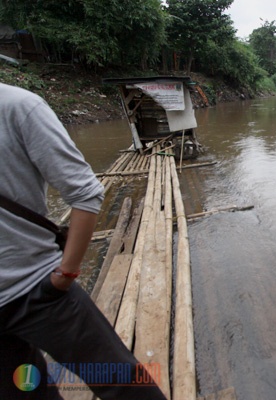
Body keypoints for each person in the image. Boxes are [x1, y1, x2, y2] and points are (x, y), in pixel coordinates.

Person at [0, 83, 167, 400]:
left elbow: (85, 192)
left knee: (122, 385)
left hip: (38, 290)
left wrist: (66, 275)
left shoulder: (19, 107)